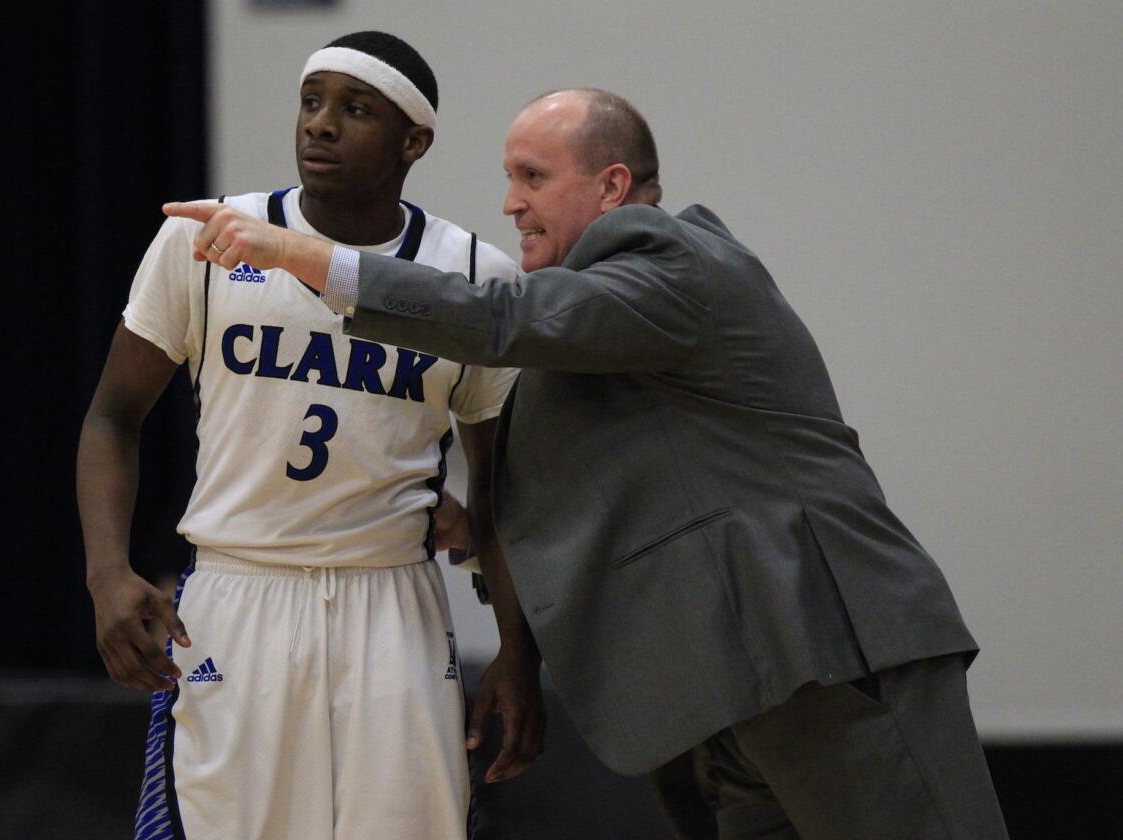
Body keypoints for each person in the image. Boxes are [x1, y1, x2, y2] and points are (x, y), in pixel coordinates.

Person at [164, 88, 1010, 838]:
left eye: (533, 178)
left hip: (820, 654)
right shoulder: (611, 323)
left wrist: (299, 256)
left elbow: (495, 318)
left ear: (611, 188)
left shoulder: (670, 261)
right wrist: (448, 519)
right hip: (737, 691)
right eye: (508, 178)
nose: (509, 203)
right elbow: (607, 472)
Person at [78, 32, 543, 840]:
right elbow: (112, 417)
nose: (320, 125)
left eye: (353, 109)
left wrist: (517, 643)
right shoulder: (209, 238)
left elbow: (499, 489)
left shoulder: (473, 276)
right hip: (238, 593)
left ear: (413, 142)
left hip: (391, 603)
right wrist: (106, 573)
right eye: (311, 102)